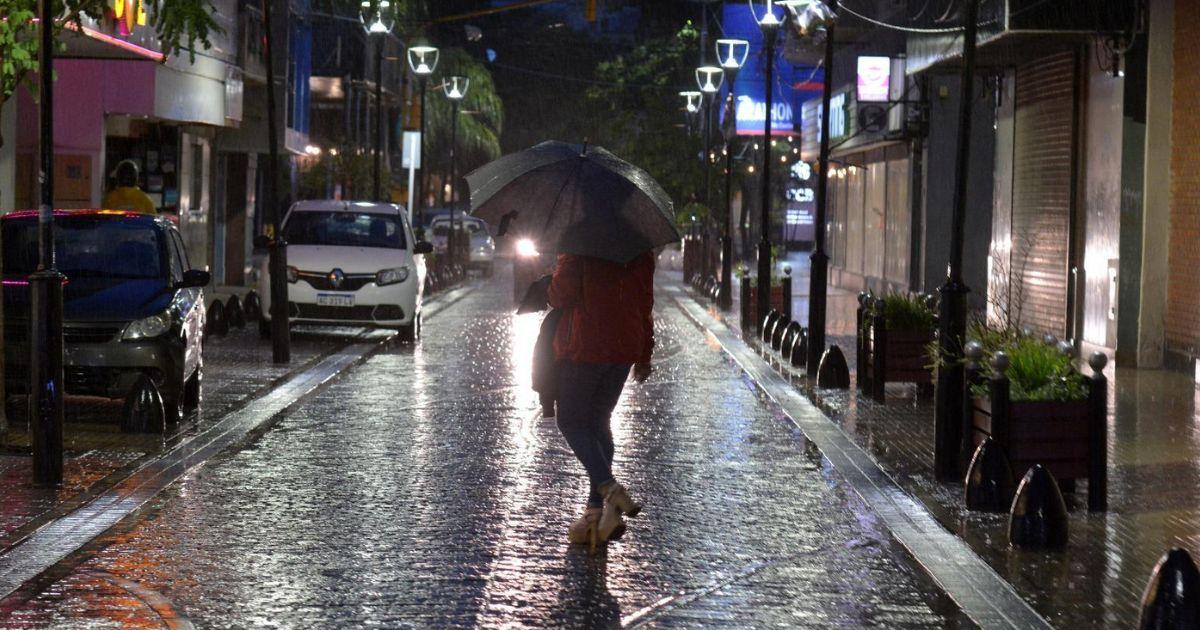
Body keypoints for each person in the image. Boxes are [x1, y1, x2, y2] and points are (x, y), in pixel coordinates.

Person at [548, 251, 655, 552]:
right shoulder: (639, 247)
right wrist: (645, 353)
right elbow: (645, 302)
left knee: (569, 419)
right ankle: (595, 517)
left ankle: (610, 489)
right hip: (625, 344)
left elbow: (560, 295)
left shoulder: (578, 244)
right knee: (598, 421)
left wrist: (552, 279)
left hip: (587, 344)